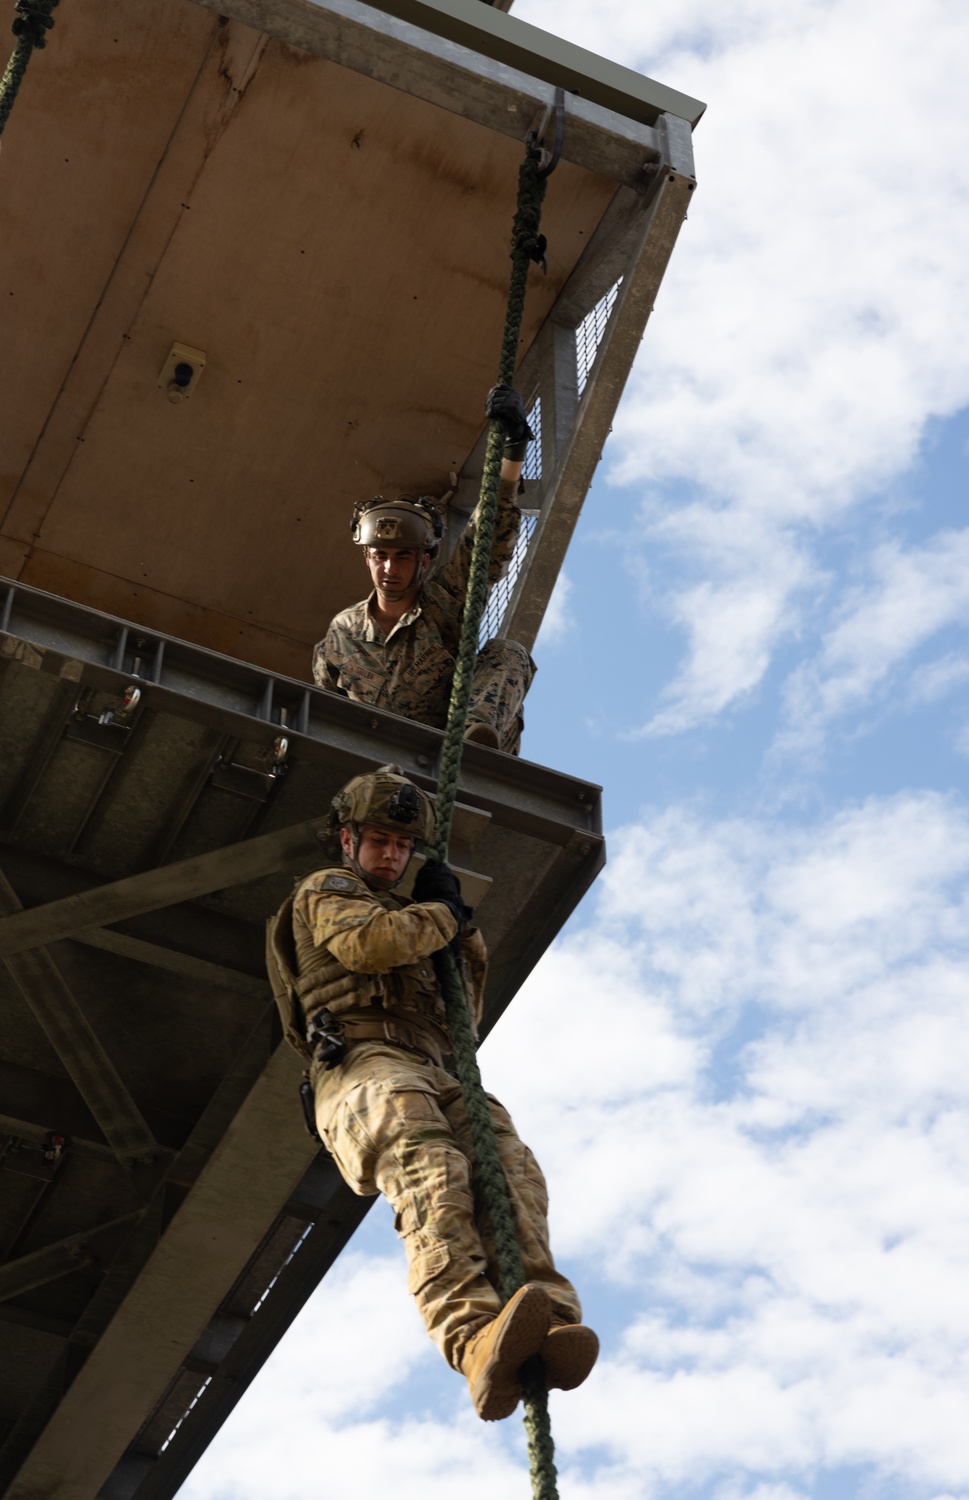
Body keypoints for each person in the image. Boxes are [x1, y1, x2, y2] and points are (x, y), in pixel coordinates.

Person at [266, 766, 598, 1420]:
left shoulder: (420, 916)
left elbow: (464, 1019)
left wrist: (461, 933)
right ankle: (473, 1339)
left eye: (401, 845)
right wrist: (441, 913)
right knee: (433, 1173)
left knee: (511, 1172)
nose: (390, 855)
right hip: (363, 1065)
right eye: (379, 841)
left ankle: (546, 1316)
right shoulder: (326, 890)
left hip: (434, 1064)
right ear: (348, 841)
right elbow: (370, 945)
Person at [312, 387, 536, 754]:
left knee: (508, 652)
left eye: (403, 557)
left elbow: (487, 535)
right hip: (376, 757)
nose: (389, 568)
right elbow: (322, 706)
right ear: (366, 557)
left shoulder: (445, 603)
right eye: (380, 556)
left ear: (424, 561)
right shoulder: (341, 634)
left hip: (448, 745)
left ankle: (474, 747)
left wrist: (513, 445)